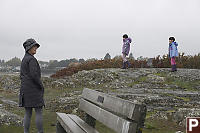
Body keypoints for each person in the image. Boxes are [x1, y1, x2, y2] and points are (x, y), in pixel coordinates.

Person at [19, 38, 45, 133]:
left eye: (36, 46)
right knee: (38, 112)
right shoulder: (31, 59)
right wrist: (41, 86)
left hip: (25, 90)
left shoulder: (24, 59)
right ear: (28, 48)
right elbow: (34, 75)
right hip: (33, 90)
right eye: (34, 46)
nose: (35, 48)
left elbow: (21, 76)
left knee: (28, 113)